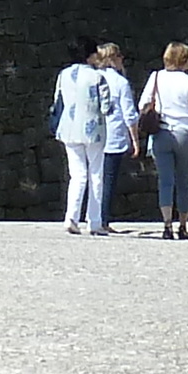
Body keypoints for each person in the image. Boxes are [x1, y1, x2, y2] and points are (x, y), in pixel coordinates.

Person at [139, 42, 188, 237]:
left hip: (161, 134)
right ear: (184, 60)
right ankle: (182, 226)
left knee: (165, 181)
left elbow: (142, 104)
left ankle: (166, 225)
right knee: (184, 181)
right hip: (184, 134)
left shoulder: (155, 77)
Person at [48, 41, 111, 235]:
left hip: (68, 128)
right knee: (95, 175)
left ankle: (71, 217)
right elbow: (106, 108)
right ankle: (95, 221)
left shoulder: (63, 75)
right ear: (90, 56)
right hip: (94, 131)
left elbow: (57, 101)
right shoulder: (98, 76)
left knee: (77, 175)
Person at [91, 42, 138, 232]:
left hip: (93, 134)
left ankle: (89, 215)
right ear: (111, 59)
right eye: (118, 56)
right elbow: (129, 114)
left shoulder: (92, 78)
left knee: (92, 176)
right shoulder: (120, 82)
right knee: (108, 179)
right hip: (113, 136)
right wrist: (135, 139)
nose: (122, 59)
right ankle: (103, 219)